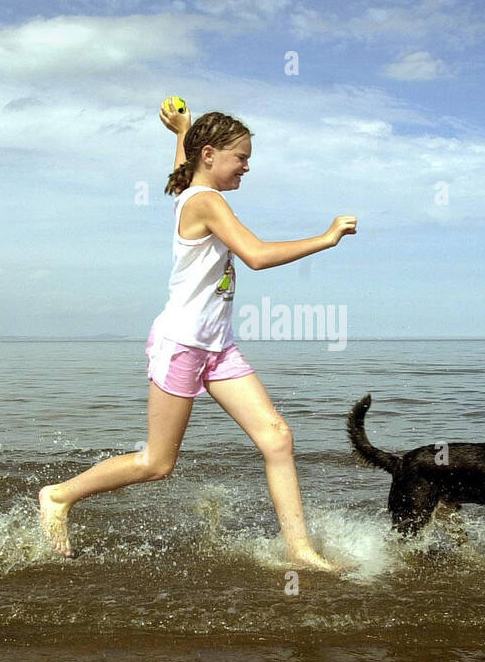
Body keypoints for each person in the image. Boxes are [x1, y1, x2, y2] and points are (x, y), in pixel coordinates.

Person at [38, 99, 357, 570]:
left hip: (217, 346)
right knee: (157, 464)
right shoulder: (207, 201)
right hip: (182, 344)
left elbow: (185, 171)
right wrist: (325, 238)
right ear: (210, 154)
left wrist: (180, 133)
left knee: (277, 439)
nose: (247, 167)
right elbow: (255, 254)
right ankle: (58, 497)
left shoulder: (194, 189)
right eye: (241, 157)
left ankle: (299, 551)